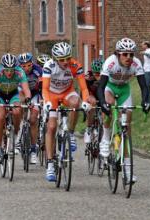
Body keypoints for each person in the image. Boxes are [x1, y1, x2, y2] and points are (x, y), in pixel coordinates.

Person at [97, 37, 150, 184]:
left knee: (127, 129)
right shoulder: (110, 62)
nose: (128, 57)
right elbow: (100, 87)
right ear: (118, 54)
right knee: (108, 107)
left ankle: (128, 172)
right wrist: (102, 103)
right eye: (125, 54)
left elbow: (144, 86)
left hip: (124, 91)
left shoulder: (136, 63)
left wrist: (146, 100)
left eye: (131, 54)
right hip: (110, 87)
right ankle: (106, 138)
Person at [42, 42, 90, 181]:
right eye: (62, 59)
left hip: (67, 92)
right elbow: (44, 88)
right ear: (55, 59)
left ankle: (71, 132)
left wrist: (85, 101)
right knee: (51, 127)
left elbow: (84, 88)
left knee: (76, 102)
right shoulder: (49, 66)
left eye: (67, 58)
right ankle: (50, 164)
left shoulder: (75, 66)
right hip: (51, 95)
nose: (65, 62)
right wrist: (46, 102)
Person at [0, 53, 31, 163]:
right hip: (0, 95)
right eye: (7, 70)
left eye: (11, 70)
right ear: (2, 68)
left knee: (17, 112)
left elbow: (26, 89)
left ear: (15, 68)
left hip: (13, 94)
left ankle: (16, 134)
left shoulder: (19, 72)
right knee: (0, 116)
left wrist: (28, 98)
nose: (9, 72)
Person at [17, 52, 43, 164]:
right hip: (22, 93)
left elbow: (43, 86)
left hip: (35, 94)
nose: (26, 68)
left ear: (32, 63)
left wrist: (42, 99)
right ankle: (18, 138)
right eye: (23, 66)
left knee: (33, 120)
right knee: (19, 109)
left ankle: (33, 149)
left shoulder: (38, 70)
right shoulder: (16, 71)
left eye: (28, 65)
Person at [83, 58, 103, 144]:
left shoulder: (107, 76)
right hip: (90, 93)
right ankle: (88, 129)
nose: (98, 75)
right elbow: (85, 89)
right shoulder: (89, 77)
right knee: (92, 106)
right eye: (96, 73)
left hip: (101, 94)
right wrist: (89, 97)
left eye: (100, 73)